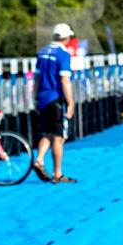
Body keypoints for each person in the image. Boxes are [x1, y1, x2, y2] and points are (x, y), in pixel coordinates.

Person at [33, 23, 77, 184]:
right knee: (58, 138)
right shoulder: (63, 55)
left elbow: (37, 78)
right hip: (55, 99)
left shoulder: (42, 52)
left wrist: (35, 97)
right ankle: (57, 174)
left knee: (48, 133)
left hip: (43, 98)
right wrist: (71, 103)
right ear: (67, 38)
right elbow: (65, 80)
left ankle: (39, 159)